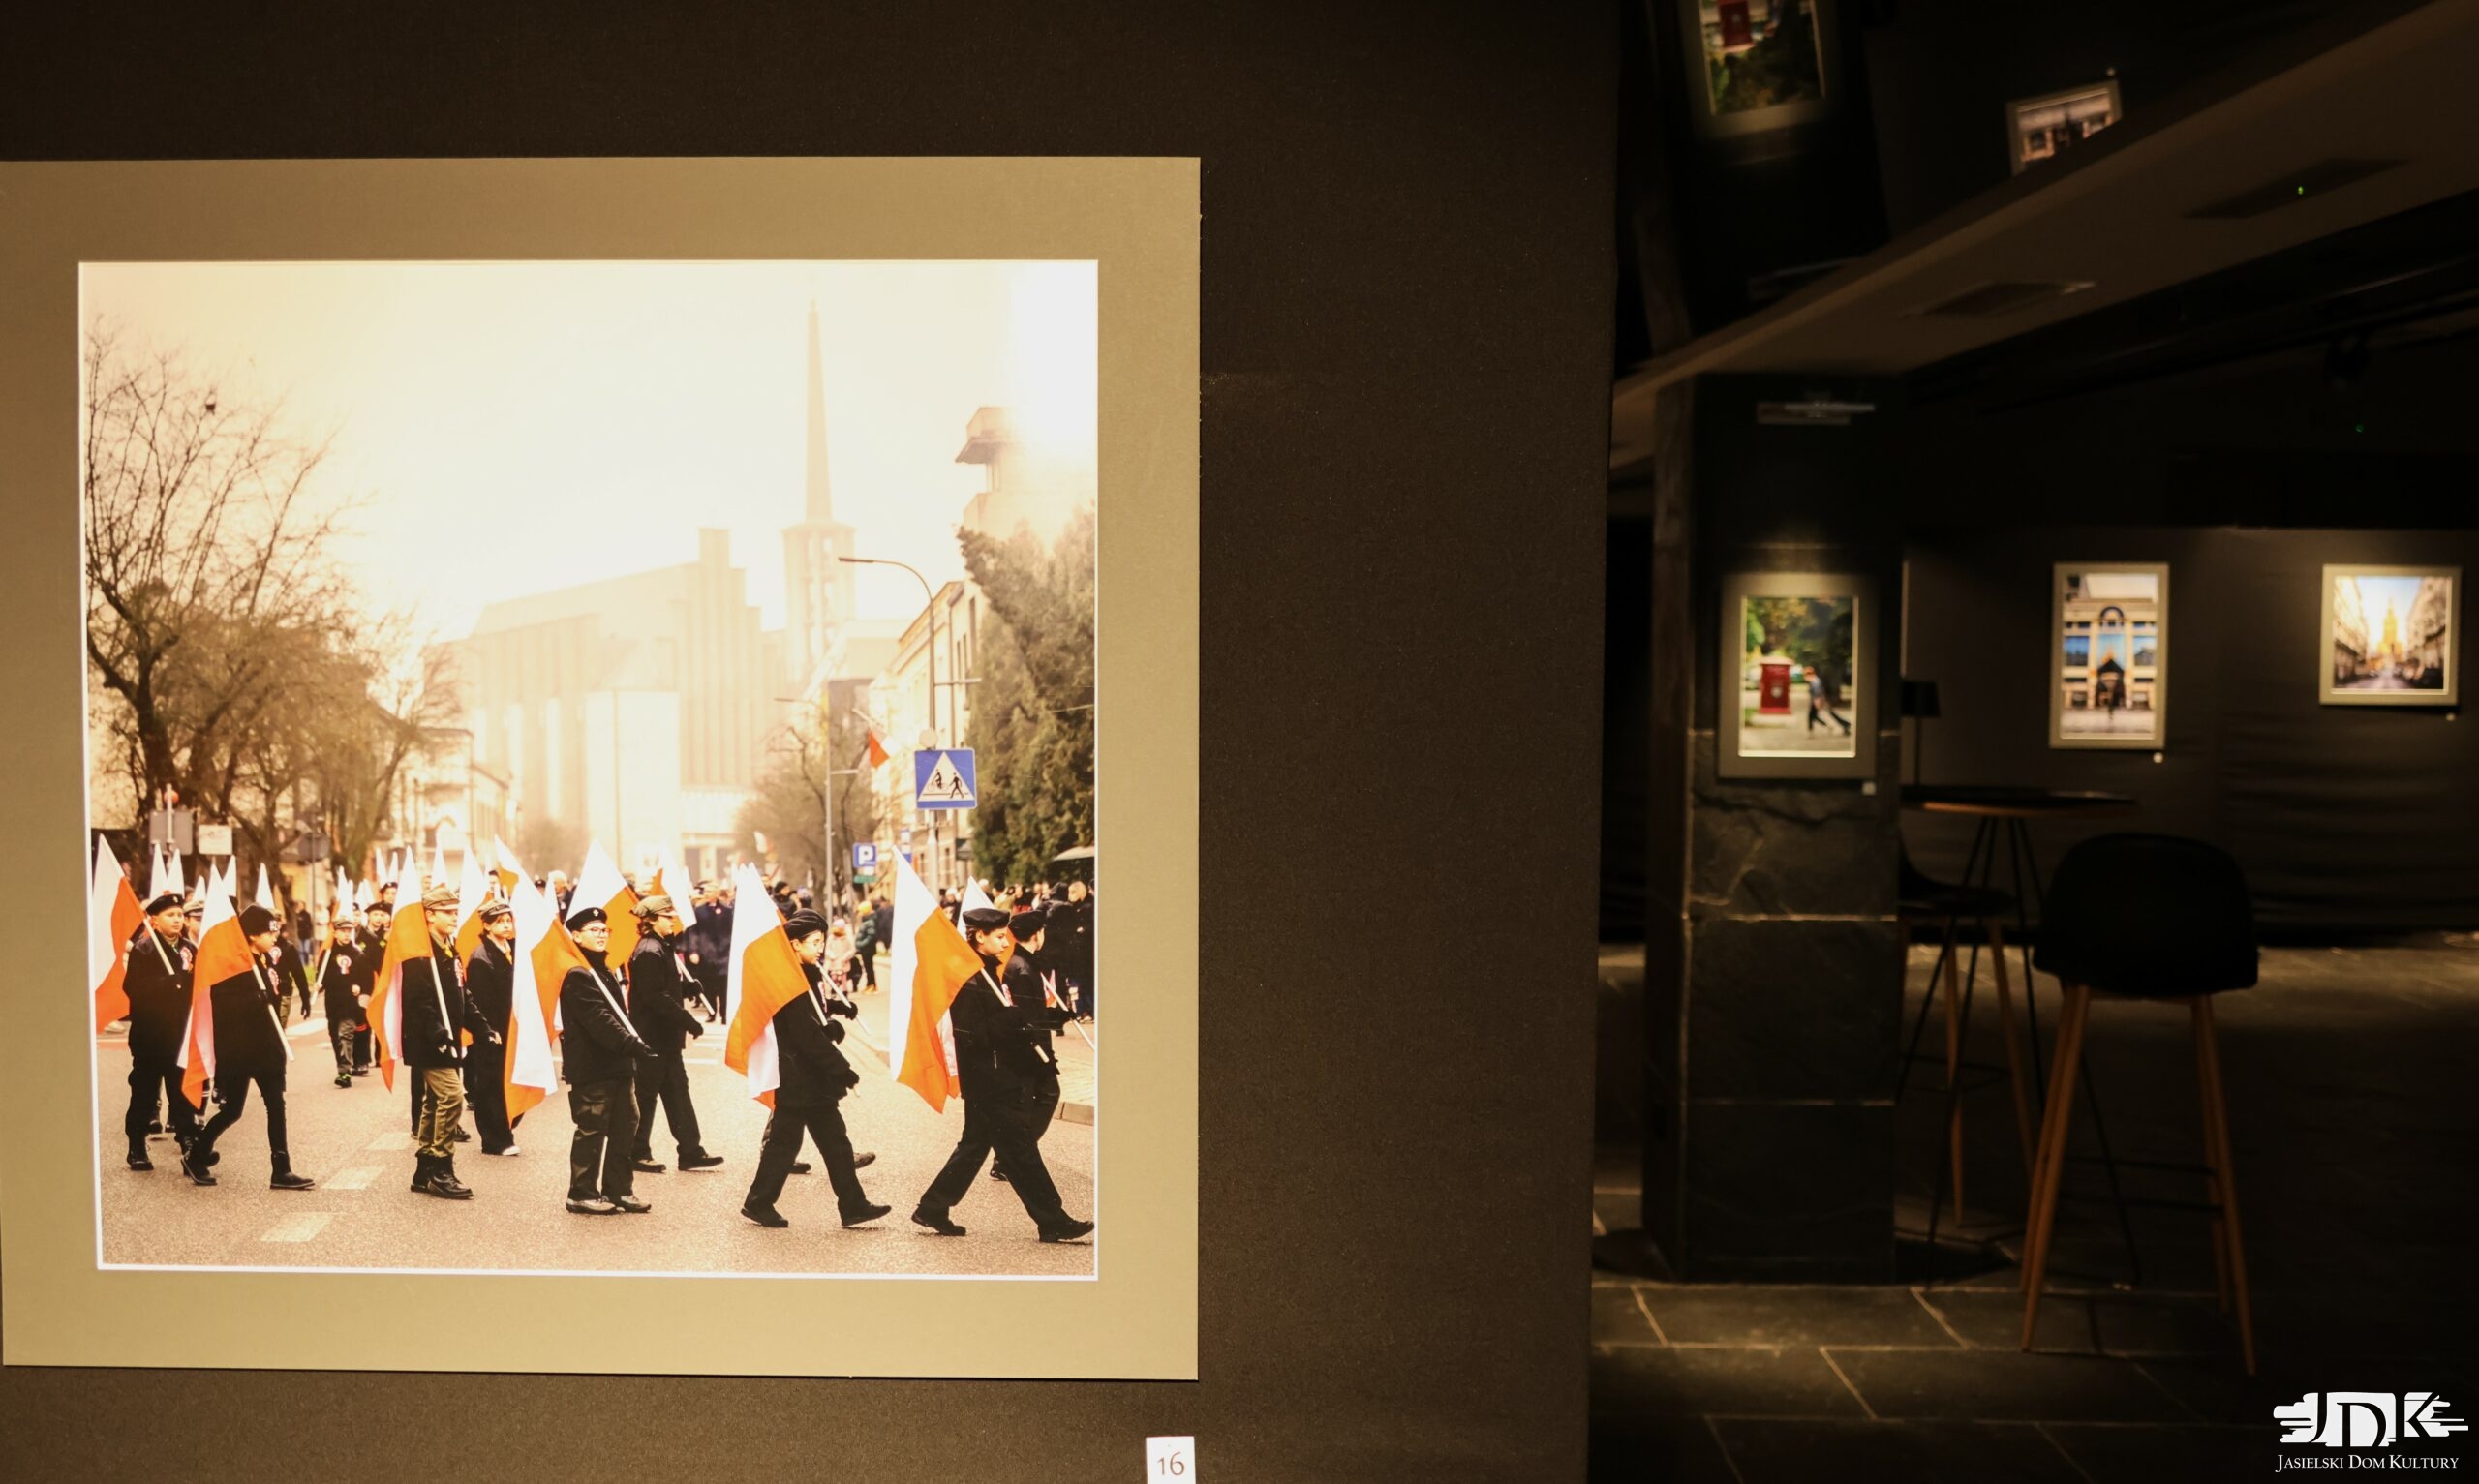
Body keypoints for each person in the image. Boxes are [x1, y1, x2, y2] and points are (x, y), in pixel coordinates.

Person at [910, 907, 1094, 1243]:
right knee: (1021, 1150)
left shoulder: (989, 972)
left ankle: (933, 1207)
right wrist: (1007, 1022)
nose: (1004, 940)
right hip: (990, 1080)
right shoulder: (969, 978)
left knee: (974, 1146)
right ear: (979, 936)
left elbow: (1006, 1025)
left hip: (992, 1078)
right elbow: (971, 1035)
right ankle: (1053, 1219)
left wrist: (1038, 1022)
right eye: (997, 936)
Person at [740, 909, 891, 1229]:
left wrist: (835, 1010)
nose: (820, 948)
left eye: (821, 941)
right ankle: (760, 1203)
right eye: (815, 942)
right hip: (800, 1077)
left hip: (808, 1079)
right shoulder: (788, 980)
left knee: (833, 1142)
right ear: (794, 944)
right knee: (789, 1144)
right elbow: (805, 1034)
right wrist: (842, 1069)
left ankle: (852, 1205)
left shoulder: (804, 973)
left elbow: (814, 1014)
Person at [184, 904, 316, 1190]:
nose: (274, 937)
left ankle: (281, 1169)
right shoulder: (232, 965)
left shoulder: (265, 961)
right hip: (240, 1052)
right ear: (252, 934)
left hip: (267, 1050)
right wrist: (254, 999)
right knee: (232, 1110)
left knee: (276, 1105)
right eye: (269, 932)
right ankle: (196, 1154)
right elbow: (223, 1006)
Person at [558, 905, 658, 1215]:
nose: (602, 935)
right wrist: (631, 1044)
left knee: (625, 1125)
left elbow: (619, 1016)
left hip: (616, 1065)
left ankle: (618, 1190)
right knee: (592, 1127)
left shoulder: (604, 969)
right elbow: (599, 1020)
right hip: (592, 1066)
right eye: (594, 931)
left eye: (604, 931)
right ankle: (582, 1192)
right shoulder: (578, 973)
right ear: (576, 936)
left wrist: (632, 1046)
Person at [401, 884, 498, 1199]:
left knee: (433, 1103)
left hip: (447, 1037)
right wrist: (439, 1035)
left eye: (456, 911)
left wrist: (482, 1028)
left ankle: (424, 1168)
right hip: (428, 1041)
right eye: (448, 912)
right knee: (453, 1097)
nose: (454, 917)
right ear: (429, 915)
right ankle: (443, 1168)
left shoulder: (447, 946)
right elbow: (419, 1002)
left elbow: (461, 994)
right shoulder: (420, 952)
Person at [626, 894, 722, 1174]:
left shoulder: (660, 947)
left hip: (665, 1038)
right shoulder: (648, 950)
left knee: (678, 1093)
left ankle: (691, 1151)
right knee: (646, 1096)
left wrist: (687, 989)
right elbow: (655, 997)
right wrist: (688, 1020)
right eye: (668, 916)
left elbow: (665, 987)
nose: (673, 920)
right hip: (652, 1037)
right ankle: (637, 1151)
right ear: (652, 920)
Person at [119, 892, 200, 1170]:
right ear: (155, 920)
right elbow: (133, 989)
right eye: (170, 915)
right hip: (151, 1036)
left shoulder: (190, 948)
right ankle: (137, 1145)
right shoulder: (145, 949)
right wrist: (169, 983)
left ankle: (189, 1143)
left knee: (181, 1091)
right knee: (144, 1092)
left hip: (180, 1034)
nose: (177, 919)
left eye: (180, 914)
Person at [463, 899, 522, 1156]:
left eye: (509, 920)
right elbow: (480, 1001)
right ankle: (495, 1139)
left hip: (511, 1027)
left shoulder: (514, 949)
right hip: (492, 1030)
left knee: (509, 1081)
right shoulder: (481, 957)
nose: (507, 925)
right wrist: (488, 1030)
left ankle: (506, 1129)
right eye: (500, 921)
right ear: (486, 926)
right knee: (491, 1085)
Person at [315, 913, 367, 1089]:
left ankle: (344, 1072)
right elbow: (322, 977)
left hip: (350, 1004)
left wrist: (360, 986)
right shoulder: (328, 954)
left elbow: (367, 980)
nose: (346, 934)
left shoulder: (357, 954)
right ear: (335, 933)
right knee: (335, 1036)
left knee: (346, 1035)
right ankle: (342, 1066)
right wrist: (318, 985)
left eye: (348, 931)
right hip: (333, 1002)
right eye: (342, 931)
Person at [1051, 880, 1096, 1021]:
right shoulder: (1069, 908)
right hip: (1074, 952)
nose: (1070, 896)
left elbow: (1090, 927)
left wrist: (1081, 931)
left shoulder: (1089, 907)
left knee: (1085, 981)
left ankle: (1088, 1010)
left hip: (1084, 951)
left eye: (1073, 892)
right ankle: (1080, 1010)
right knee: (1075, 982)